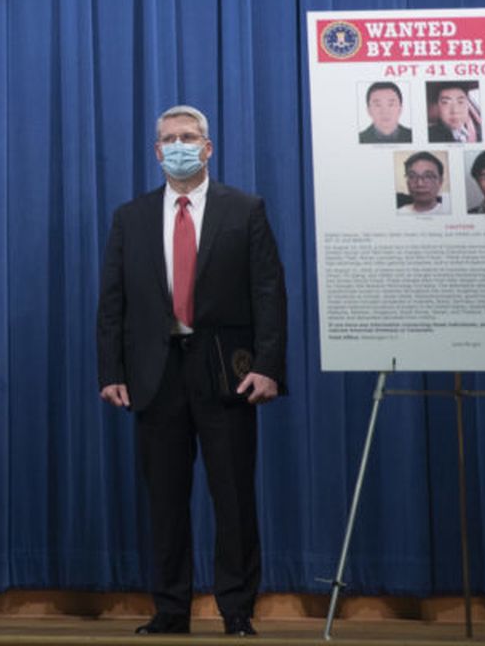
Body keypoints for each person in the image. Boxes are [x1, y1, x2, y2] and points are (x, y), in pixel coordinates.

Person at [97, 105, 287, 637]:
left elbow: (269, 294)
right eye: (169, 139)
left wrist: (269, 367)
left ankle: (236, 609)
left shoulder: (245, 210)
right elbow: (112, 303)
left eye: (189, 137)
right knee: (165, 501)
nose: (179, 145)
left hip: (227, 374)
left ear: (208, 148)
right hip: (155, 376)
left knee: (233, 497)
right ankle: (171, 608)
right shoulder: (130, 217)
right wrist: (110, 370)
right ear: (157, 152)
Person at [397, 151, 449, 216]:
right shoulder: (399, 212)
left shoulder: (448, 210)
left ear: (440, 181)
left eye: (428, 176)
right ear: (407, 182)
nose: (420, 184)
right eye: (412, 176)